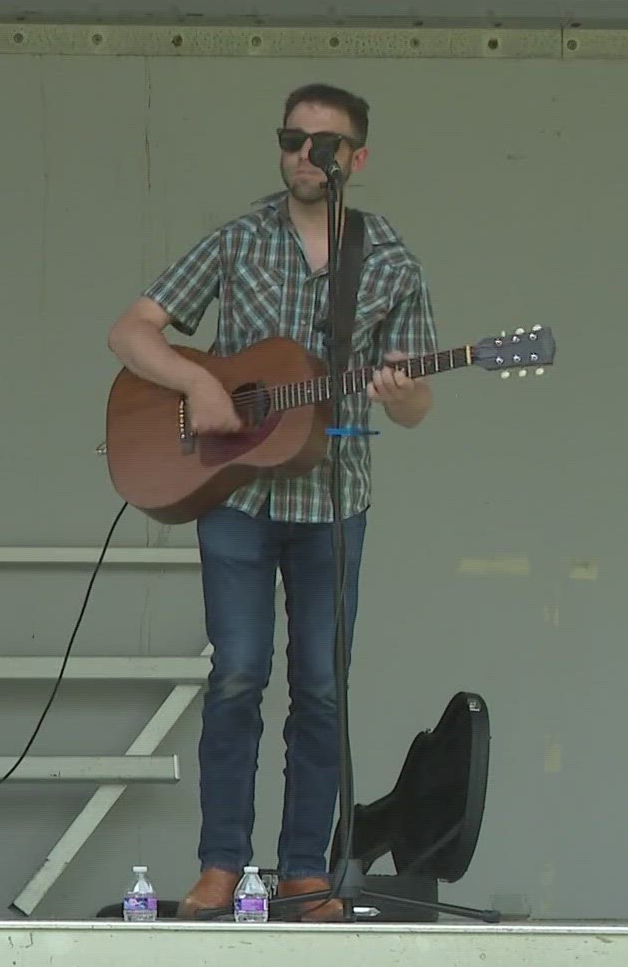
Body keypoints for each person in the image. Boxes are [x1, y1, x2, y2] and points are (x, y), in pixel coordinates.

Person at [105, 84, 439, 922]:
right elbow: (132, 331)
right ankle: (221, 865)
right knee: (238, 676)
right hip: (235, 496)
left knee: (323, 688)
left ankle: (302, 873)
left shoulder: (388, 257)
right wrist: (196, 383)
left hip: (335, 499)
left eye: (322, 145)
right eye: (291, 139)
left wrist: (401, 393)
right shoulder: (240, 239)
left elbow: (416, 403)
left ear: (354, 160)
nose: (303, 155)